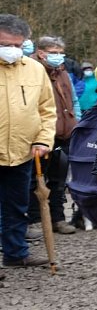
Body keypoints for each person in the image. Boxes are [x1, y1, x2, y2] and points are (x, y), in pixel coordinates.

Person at [0, 14, 56, 268]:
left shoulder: (35, 69)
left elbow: (47, 108)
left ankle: (16, 253)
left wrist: (44, 140)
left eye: (17, 45)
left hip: (23, 151)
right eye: (5, 44)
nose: (12, 50)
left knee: (17, 205)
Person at [28, 35, 81, 235]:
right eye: (53, 53)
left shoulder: (63, 73)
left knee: (59, 181)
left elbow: (73, 99)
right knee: (36, 181)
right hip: (41, 136)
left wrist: (77, 122)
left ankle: (57, 218)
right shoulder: (32, 72)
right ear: (41, 53)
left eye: (60, 53)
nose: (58, 57)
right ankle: (35, 220)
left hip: (64, 134)